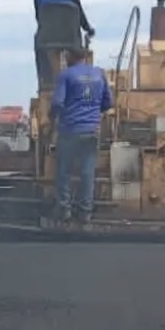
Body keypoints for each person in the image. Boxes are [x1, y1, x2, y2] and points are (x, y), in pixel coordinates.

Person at [50, 46, 112, 224]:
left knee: (64, 171)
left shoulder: (66, 75)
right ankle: (85, 212)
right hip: (91, 131)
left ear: (69, 57)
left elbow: (57, 103)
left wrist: (51, 119)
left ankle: (64, 210)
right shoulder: (99, 75)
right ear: (86, 57)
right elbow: (108, 102)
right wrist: (92, 112)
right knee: (87, 173)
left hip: (69, 131)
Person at [34, 0, 95, 88]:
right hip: (70, 39)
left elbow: (39, 17)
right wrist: (89, 29)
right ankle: (78, 80)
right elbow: (80, 15)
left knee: (41, 42)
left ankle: (46, 82)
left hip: (48, 39)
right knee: (77, 51)